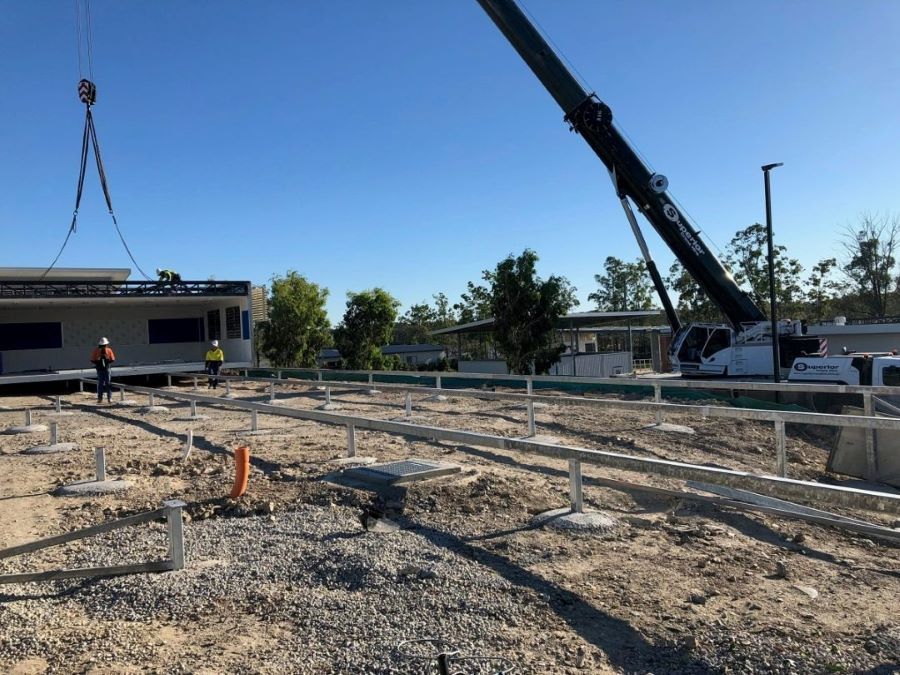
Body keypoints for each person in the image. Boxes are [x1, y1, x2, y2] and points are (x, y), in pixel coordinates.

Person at [90, 337, 116, 403]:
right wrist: (100, 361)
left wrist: (102, 361)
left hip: (103, 368)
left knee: (104, 383)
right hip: (103, 369)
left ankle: (103, 398)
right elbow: (112, 359)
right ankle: (104, 398)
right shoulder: (105, 350)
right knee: (105, 383)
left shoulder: (99, 350)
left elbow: (92, 360)